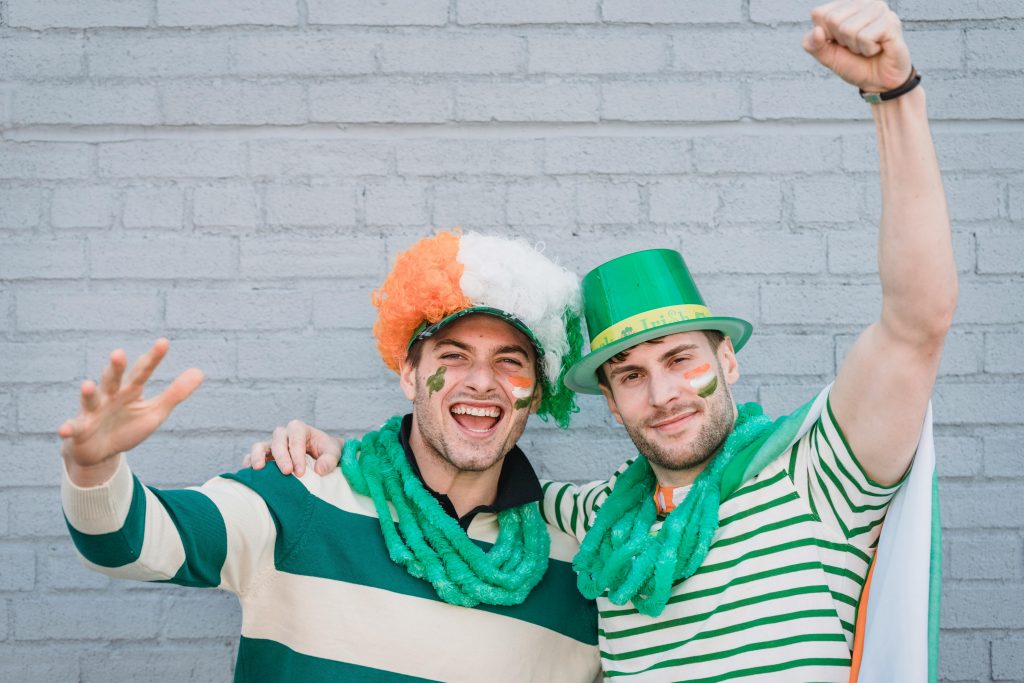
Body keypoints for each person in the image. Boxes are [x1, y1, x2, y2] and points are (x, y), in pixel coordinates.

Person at [250, 2, 955, 680]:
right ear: (612, 404)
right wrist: (342, 464)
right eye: (630, 374)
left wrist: (896, 96)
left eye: (680, 358)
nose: (663, 393)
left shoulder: (814, 474)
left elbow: (917, 321)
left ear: (727, 359)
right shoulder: (596, 522)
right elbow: (455, 471)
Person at [57, 231, 601, 681]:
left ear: (538, 386)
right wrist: (93, 468)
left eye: (509, 361)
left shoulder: (582, 561)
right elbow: (130, 546)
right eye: (454, 356)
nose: (482, 383)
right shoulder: (301, 494)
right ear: (409, 374)